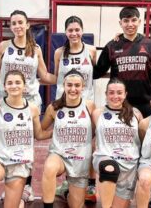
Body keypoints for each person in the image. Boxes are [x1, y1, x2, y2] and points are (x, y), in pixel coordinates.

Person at [0, 70, 51, 208]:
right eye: (9, 83)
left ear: (24, 86)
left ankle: (21, 200)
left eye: (18, 82)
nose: (14, 86)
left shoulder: (33, 109)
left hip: (20, 162)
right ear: (4, 86)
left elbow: (39, 134)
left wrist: (56, 131)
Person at [53, 15, 98, 203]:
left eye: (77, 29)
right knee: (66, 143)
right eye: (70, 30)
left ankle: (91, 185)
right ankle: (68, 182)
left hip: (86, 102)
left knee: (88, 143)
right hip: (64, 103)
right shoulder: (59, 53)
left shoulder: (91, 50)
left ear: (82, 30)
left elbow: (96, 73)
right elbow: (56, 77)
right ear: (66, 32)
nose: (74, 33)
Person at [93, 6, 151, 117]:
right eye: (126, 21)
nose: (130, 24)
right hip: (119, 103)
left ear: (139, 21)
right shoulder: (112, 46)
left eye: (133, 20)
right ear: (120, 23)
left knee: (143, 134)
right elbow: (97, 72)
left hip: (144, 104)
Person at [0, 9, 56, 108]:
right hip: (5, 97)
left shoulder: (36, 49)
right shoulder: (3, 46)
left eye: (20, 22)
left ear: (27, 25)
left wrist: (64, 79)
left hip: (30, 100)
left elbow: (44, 75)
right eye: (14, 23)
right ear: (11, 27)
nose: (17, 26)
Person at [41, 69, 95, 208]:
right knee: (49, 167)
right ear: (63, 85)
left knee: (77, 205)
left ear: (83, 87)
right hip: (60, 154)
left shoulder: (89, 106)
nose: (73, 89)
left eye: (77, 85)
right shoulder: (53, 107)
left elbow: (95, 131)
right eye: (69, 85)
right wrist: (54, 131)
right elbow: (41, 131)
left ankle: (66, 191)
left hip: (80, 158)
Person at [91, 78, 142, 208]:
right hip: (105, 158)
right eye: (111, 92)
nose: (115, 96)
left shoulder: (136, 114)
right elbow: (89, 138)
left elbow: (144, 140)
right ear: (106, 94)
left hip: (129, 166)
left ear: (125, 94)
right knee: (109, 168)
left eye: (119, 93)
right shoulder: (97, 113)